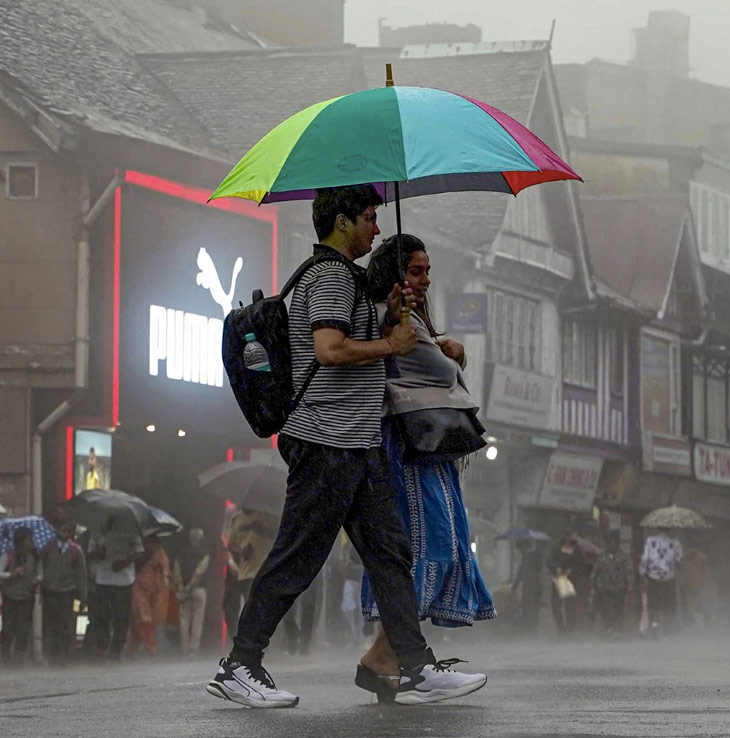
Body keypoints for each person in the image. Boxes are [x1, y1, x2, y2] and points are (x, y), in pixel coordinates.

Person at [207, 185, 485, 709]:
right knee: (298, 556)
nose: (376, 229)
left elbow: (356, 337)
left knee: (390, 553)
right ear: (340, 221)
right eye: (368, 218)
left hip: (356, 442)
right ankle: (240, 664)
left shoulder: (349, 278)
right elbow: (329, 349)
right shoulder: (332, 276)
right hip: (325, 440)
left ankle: (416, 668)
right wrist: (391, 344)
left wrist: (401, 319)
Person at [357, 233, 495, 675]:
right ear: (394, 274)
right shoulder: (394, 322)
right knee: (426, 544)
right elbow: (440, 370)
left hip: (426, 450)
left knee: (438, 544)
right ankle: (387, 656)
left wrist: (446, 348)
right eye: (416, 270)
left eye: (428, 271)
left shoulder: (410, 321)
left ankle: (391, 658)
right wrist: (454, 352)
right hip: (410, 450)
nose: (425, 279)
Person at [87, 515, 144, 660]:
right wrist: (99, 553)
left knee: (121, 618)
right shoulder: (97, 532)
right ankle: (101, 647)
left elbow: (139, 552)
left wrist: (125, 562)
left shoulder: (130, 532)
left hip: (124, 581)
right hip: (103, 579)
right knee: (101, 617)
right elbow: (90, 552)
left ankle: (115, 651)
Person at [40, 519, 88, 665]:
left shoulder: (75, 551)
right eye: (63, 531)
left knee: (66, 624)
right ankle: (52, 655)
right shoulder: (48, 548)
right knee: (51, 624)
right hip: (50, 590)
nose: (66, 534)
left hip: (68, 591)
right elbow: (41, 566)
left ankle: (64, 655)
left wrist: (83, 596)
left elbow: (81, 575)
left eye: (68, 531)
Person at [225, 505, 278, 635]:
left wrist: (262, 530)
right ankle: (236, 639)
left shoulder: (266, 516)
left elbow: (277, 535)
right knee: (229, 606)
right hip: (242, 572)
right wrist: (242, 551)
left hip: (261, 571)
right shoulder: (235, 518)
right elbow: (231, 545)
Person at [0, 528, 38, 664]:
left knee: (23, 628)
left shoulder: (32, 557)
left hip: (26, 596)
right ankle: (6, 657)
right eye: (29, 539)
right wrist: (11, 574)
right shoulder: (8, 556)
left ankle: (18, 658)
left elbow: (38, 572)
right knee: (9, 628)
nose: (31, 542)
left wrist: (36, 579)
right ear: (21, 541)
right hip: (10, 596)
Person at [129, 536, 170, 656]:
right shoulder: (151, 551)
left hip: (150, 589)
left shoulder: (157, 552)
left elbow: (164, 572)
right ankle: (146, 647)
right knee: (142, 618)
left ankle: (146, 647)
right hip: (142, 587)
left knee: (144, 619)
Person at [172, 528, 210, 658]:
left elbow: (176, 573)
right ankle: (192, 650)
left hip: (183, 591)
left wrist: (182, 589)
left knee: (184, 620)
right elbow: (199, 573)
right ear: (201, 539)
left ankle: (183, 649)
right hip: (199, 590)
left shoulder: (181, 554)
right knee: (197, 620)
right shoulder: (205, 554)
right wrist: (190, 588)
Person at [639, 527, 683, 636]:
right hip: (669, 578)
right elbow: (680, 560)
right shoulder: (675, 543)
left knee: (654, 605)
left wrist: (643, 573)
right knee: (669, 605)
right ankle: (668, 630)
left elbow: (645, 559)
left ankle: (654, 626)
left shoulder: (650, 541)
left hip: (653, 577)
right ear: (670, 529)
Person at [591, 532, 631, 635]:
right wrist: (595, 584)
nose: (612, 545)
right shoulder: (602, 556)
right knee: (606, 610)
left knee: (619, 609)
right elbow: (596, 571)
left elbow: (629, 572)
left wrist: (629, 586)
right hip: (605, 587)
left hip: (620, 587)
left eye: (614, 543)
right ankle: (608, 628)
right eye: (610, 543)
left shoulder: (623, 556)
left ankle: (618, 630)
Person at [547, 534, 584, 636]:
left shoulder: (576, 550)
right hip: (558, 580)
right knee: (555, 605)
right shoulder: (557, 548)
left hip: (570, 581)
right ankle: (561, 628)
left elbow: (580, 565)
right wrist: (557, 568)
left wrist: (571, 570)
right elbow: (550, 561)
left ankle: (570, 629)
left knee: (570, 607)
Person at [512, 539, 544, 632]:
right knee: (533, 609)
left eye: (520, 550)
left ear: (524, 548)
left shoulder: (528, 558)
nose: (520, 552)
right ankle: (533, 629)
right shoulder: (536, 556)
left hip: (531, 586)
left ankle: (530, 629)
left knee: (529, 608)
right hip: (535, 585)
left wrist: (515, 585)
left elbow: (521, 572)